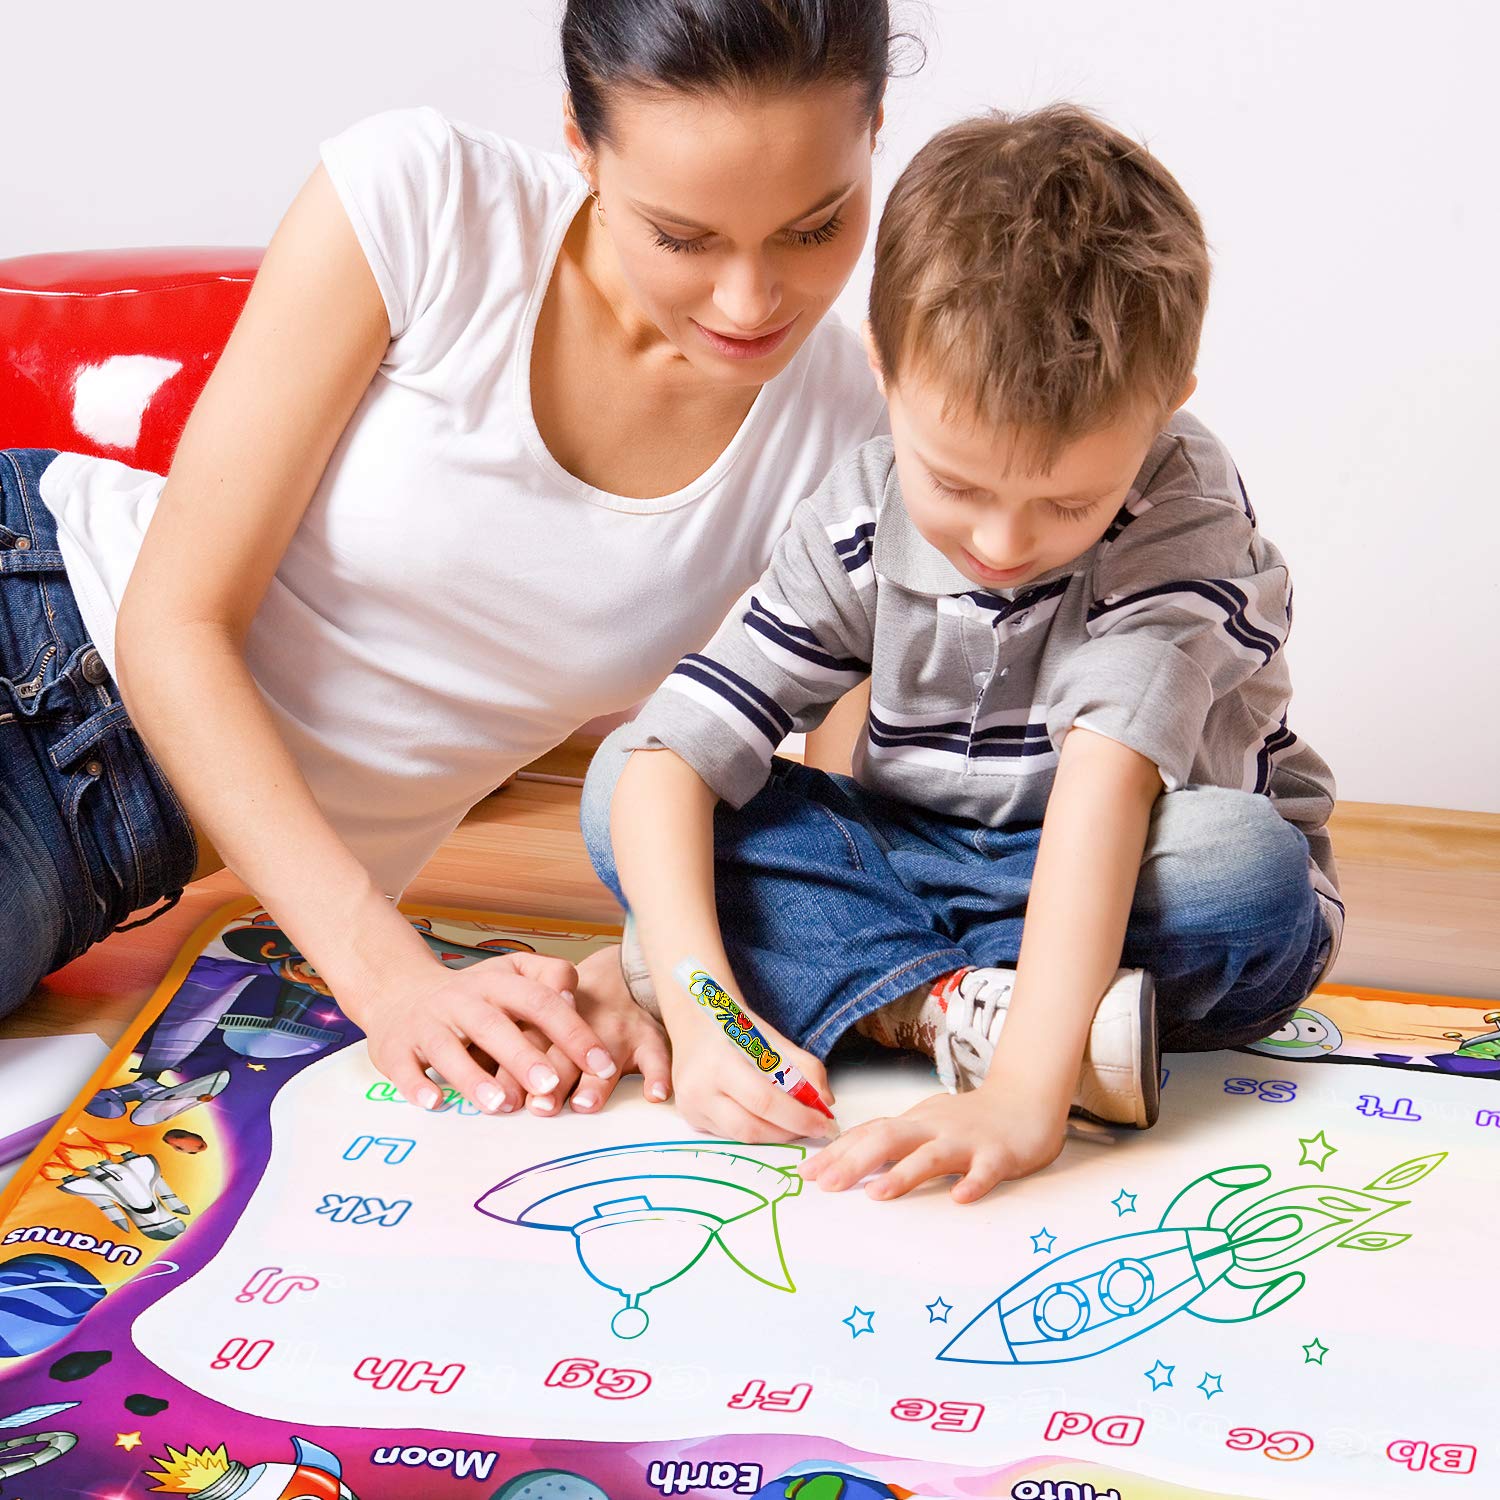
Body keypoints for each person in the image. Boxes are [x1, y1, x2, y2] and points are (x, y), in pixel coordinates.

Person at [0, 0, 900, 1119]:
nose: (751, 301)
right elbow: (173, 621)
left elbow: (839, 814)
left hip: (107, 848)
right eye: (683, 236)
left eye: (814, 228)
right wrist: (390, 979)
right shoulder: (422, 198)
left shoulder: (856, 448)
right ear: (582, 142)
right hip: (41, 615)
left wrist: (647, 975)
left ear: (873, 133)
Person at [583, 105, 1341, 1203]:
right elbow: (671, 758)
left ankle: (868, 983)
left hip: (1127, 862)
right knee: (621, 787)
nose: (1000, 543)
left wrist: (1024, 1100)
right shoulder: (857, 508)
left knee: (1247, 873)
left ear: (1164, 409)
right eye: (958, 485)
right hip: (924, 857)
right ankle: (950, 1005)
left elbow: (1105, 787)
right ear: (884, 368)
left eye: (1065, 501)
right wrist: (709, 1021)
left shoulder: (1181, 507)